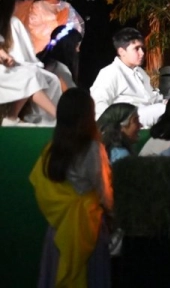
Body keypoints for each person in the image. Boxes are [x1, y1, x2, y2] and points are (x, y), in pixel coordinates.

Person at [29, 89, 113, 288]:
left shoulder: (50, 149)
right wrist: (114, 215)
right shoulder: (92, 149)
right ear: (88, 117)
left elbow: (41, 188)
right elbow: (105, 192)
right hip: (88, 230)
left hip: (58, 230)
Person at [1, 0, 61, 125]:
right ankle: (12, 118)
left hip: (12, 64)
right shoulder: (13, 22)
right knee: (30, 74)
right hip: (8, 67)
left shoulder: (13, 21)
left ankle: (47, 122)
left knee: (52, 80)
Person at [89, 27, 164, 126]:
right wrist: (112, 129)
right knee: (162, 109)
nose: (142, 53)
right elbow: (98, 104)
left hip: (146, 118)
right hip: (127, 123)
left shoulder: (141, 72)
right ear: (122, 52)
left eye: (142, 48)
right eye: (136, 48)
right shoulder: (110, 72)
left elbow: (151, 98)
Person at [37, 23, 83, 91]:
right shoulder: (61, 71)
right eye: (77, 46)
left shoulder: (38, 59)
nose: (78, 50)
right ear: (68, 47)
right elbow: (71, 95)